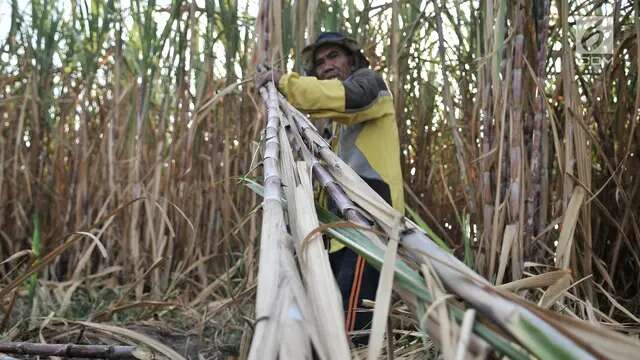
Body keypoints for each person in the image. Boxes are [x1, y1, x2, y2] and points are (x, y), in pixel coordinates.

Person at [256, 32, 404, 345]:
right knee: (331, 309)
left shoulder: (371, 86)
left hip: (369, 214)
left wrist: (285, 83)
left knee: (354, 323)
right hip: (338, 225)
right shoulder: (335, 122)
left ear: (352, 59)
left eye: (333, 56)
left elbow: (345, 97)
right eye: (320, 62)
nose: (326, 65)